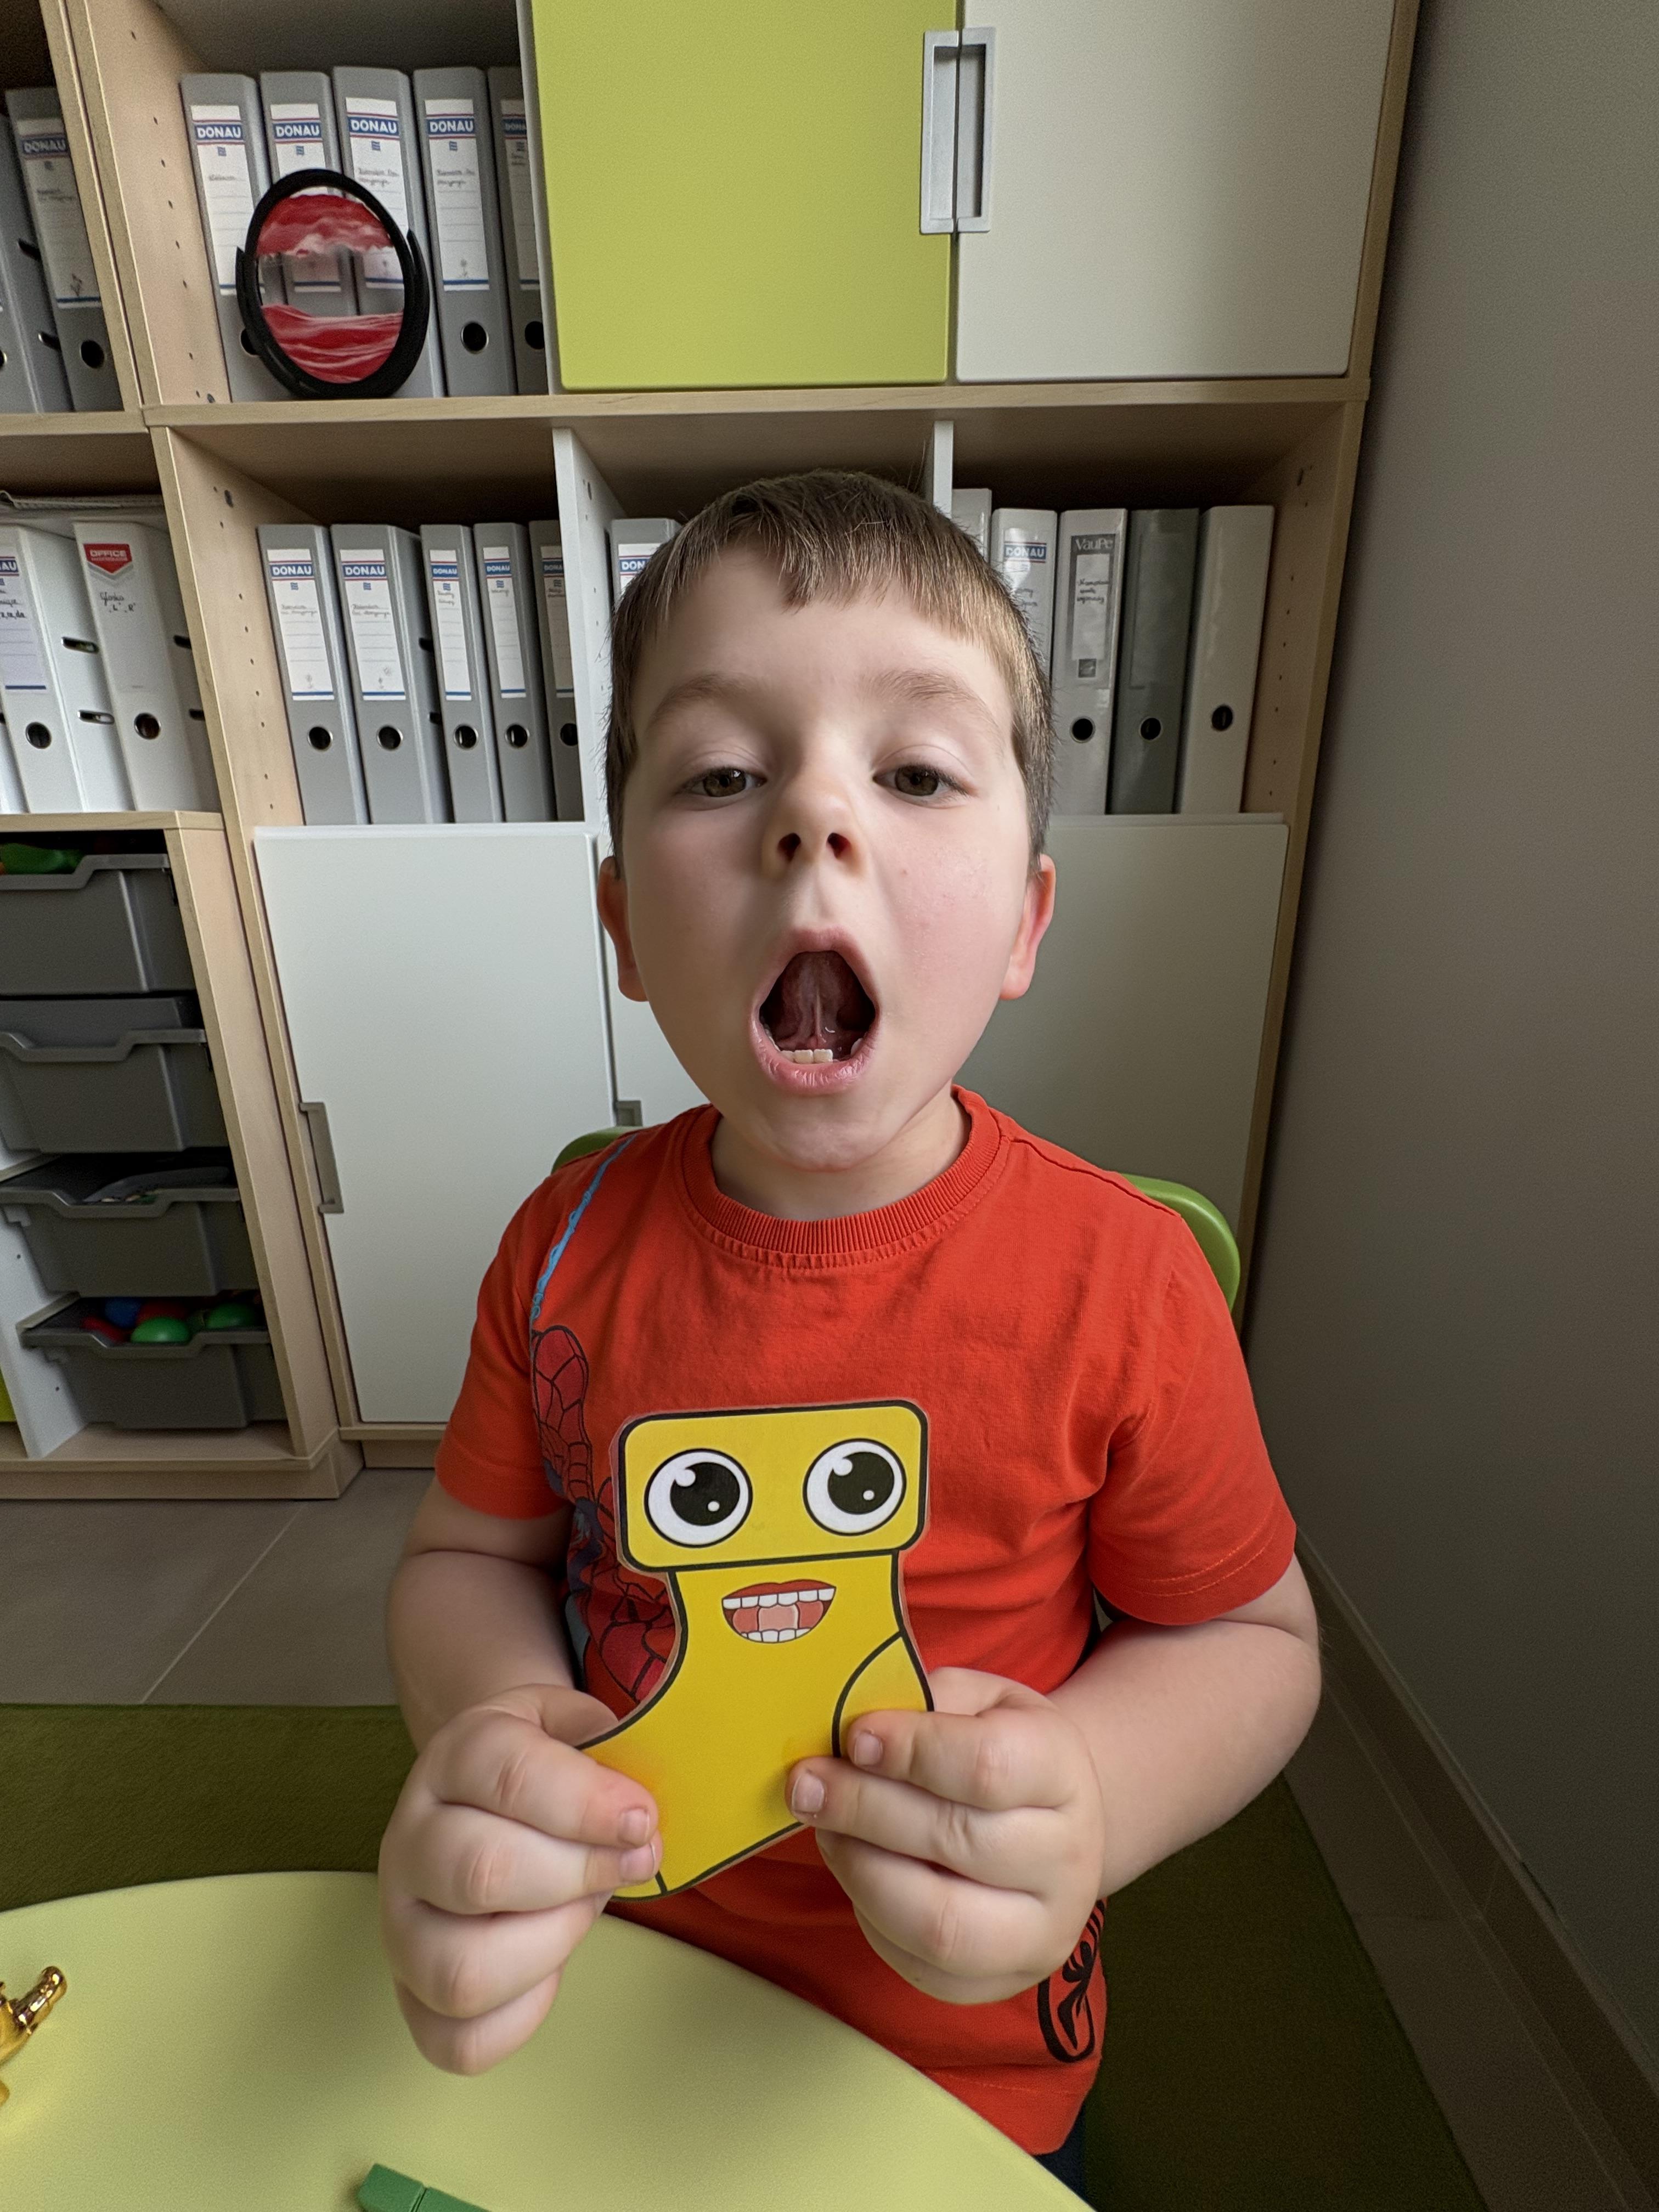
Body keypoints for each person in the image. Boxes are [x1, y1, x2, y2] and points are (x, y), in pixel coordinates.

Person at [378, 470, 1321, 2197]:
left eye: (917, 772)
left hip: (957, 2048)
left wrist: (1090, 1793)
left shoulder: (1125, 1284)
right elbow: (465, 1557)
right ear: (624, 929)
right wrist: (502, 1727)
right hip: (609, 1983)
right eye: (722, 774)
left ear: (1024, 922)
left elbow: (1253, 1640)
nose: (814, 816)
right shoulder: (561, 1245)